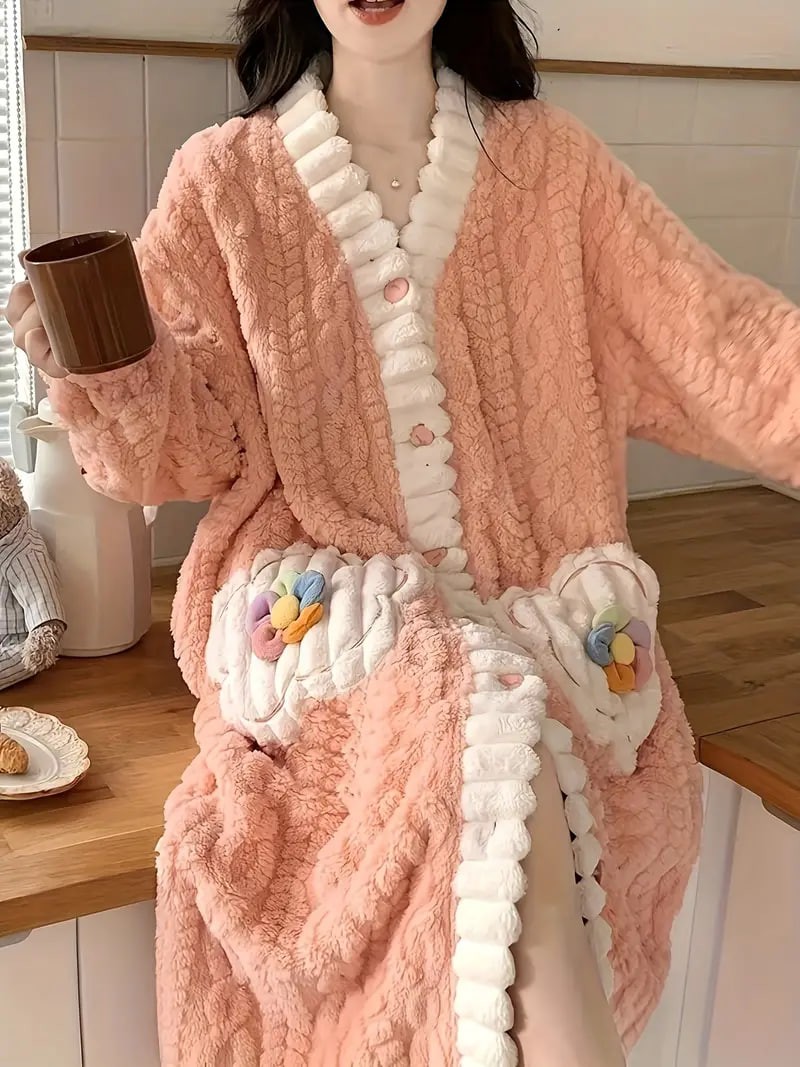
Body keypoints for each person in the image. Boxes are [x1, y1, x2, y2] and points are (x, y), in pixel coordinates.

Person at [4, 1, 799, 1064]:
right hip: (319, 607)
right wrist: (101, 365)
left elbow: (719, 340)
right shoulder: (224, 180)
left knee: (504, 715)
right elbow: (179, 448)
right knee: (474, 712)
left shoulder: (550, 167)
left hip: (541, 598)